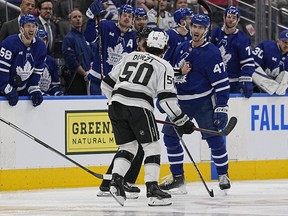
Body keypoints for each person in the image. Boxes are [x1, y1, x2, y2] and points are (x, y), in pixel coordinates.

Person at [100, 30, 195, 206]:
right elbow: (166, 100)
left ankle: (116, 181)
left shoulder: (130, 56)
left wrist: (118, 102)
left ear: (146, 44)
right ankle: (152, 190)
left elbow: (106, 84)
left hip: (115, 104)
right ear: (165, 48)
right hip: (139, 107)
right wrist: (182, 121)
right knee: (152, 147)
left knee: (128, 146)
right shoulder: (164, 65)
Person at [159, 14, 231, 194]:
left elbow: (222, 83)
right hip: (180, 103)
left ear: (206, 30)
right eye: (194, 26)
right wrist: (164, 96)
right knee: (170, 137)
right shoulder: (182, 47)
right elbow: (170, 73)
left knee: (214, 139)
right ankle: (178, 178)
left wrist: (221, 107)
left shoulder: (212, 53)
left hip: (202, 103)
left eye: (200, 27)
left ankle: (223, 174)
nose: (196, 30)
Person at [97, 27, 154, 199]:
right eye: (144, 40)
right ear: (138, 41)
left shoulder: (150, 59)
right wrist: (121, 102)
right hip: (127, 108)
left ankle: (110, 184)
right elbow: (106, 84)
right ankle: (122, 182)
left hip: (132, 107)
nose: (147, 43)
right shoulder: (129, 58)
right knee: (136, 146)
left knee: (130, 147)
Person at [84, 2, 137, 95]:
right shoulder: (105, 25)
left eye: (130, 16)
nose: (127, 18)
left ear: (133, 20)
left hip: (118, 84)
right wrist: (91, 20)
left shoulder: (134, 36)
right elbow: (89, 38)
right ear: (119, 16)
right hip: (98, 79)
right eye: (124, 15)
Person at [0, 14, 46, 107]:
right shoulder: (9, 43)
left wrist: (33, 88)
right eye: (28, 26)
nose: (31, 29)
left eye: (34, 26)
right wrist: (5, 87)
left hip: (21, 88)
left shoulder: (41, 46)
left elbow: (37, 71)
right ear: (21, 28)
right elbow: (2, 70)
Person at [211, 6, 255, 98]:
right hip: (215, 81)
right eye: (229, 17)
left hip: (233, 84)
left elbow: (248, 62)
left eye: (234, 18)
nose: (231, 20)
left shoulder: (242, 39)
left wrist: (246, 79)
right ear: (224, 17)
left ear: (238, 20)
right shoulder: (214, 34)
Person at [61, 8, 94, 95]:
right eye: (74, 17)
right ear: (70, 21)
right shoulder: (68, 38)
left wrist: (90, 73)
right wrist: (84, 74)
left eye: (79, 16)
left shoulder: (85, 37)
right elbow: (71, 61)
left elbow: (92, 57)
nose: (78, 19)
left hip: (87, 77)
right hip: (75, 79)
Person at [251, 29, 288, 95]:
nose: (287, 45)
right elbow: (252, 65)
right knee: (253, 70)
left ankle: (279, 92)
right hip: (256, 85)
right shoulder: (266, 46)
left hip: (277, 89)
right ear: (278, 41)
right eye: (284, 42)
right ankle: (275, 89)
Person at [36, 29, 63, 96]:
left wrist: (56, 92)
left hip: (47, 99)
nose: (43, 42)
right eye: (40, 39)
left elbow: (54, 84)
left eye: (44, 39)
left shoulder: (51, 61)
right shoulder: (28, 59)